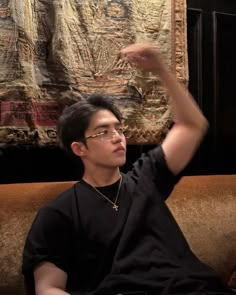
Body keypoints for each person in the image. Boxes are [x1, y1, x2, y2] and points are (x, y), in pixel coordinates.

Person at [22, 43, 234, 295]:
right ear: (80, 149)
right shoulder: (59, 213)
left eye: (119, 129)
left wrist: (160, 70)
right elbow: (48, 288)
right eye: (103, 131)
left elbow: (192, 125)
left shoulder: (146, 178)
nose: (117, 137)